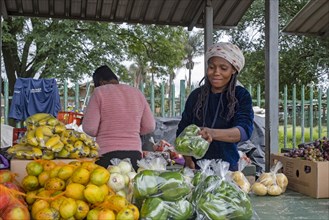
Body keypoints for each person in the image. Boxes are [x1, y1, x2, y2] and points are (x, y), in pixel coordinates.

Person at [176, 42, 254, 171]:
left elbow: (244, 131)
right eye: (211, 67)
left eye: (223, 68)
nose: (216, 73)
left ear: (234, 70)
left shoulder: (241, 95)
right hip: (196, 168)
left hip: (227, 169)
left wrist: (211, 133)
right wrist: (188, 161)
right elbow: (182, 131)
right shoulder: (196, 96)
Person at [82, 65, 156, 171]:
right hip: (135, 155)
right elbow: (150, 126)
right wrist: (131, 131)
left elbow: (90, 128)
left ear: (101, 82)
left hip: (106, 156)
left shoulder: (100, 92)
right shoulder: (137, 93)